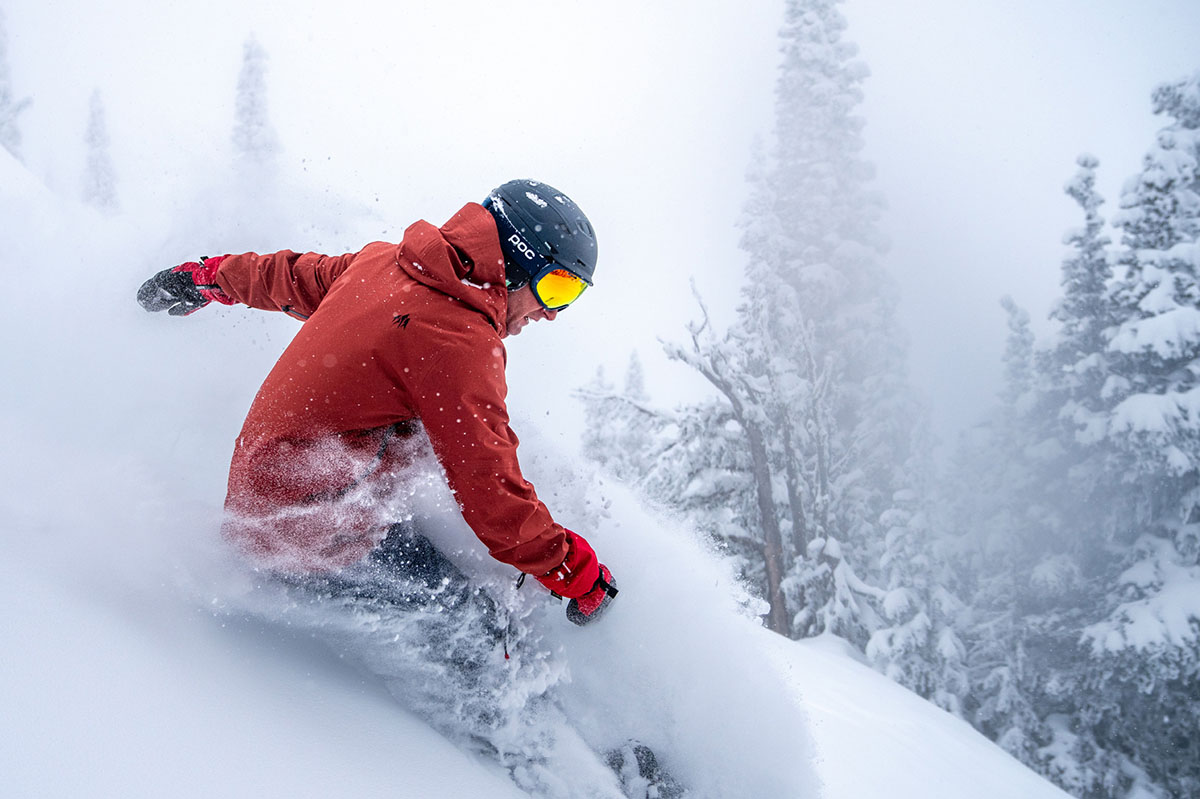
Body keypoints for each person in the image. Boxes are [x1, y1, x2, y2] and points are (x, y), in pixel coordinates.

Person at [137, 179, 618, 627]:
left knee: (428, 475)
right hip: (316, 534)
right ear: (514, 265)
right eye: (556, 286)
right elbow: (485, 484)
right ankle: (506, 719)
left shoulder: (380, 265)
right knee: (478, 624)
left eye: (571, 294)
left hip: (270, 502)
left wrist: (206, 277)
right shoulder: (459, 342)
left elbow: (283, 276)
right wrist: (569, 569)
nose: (553, 313)